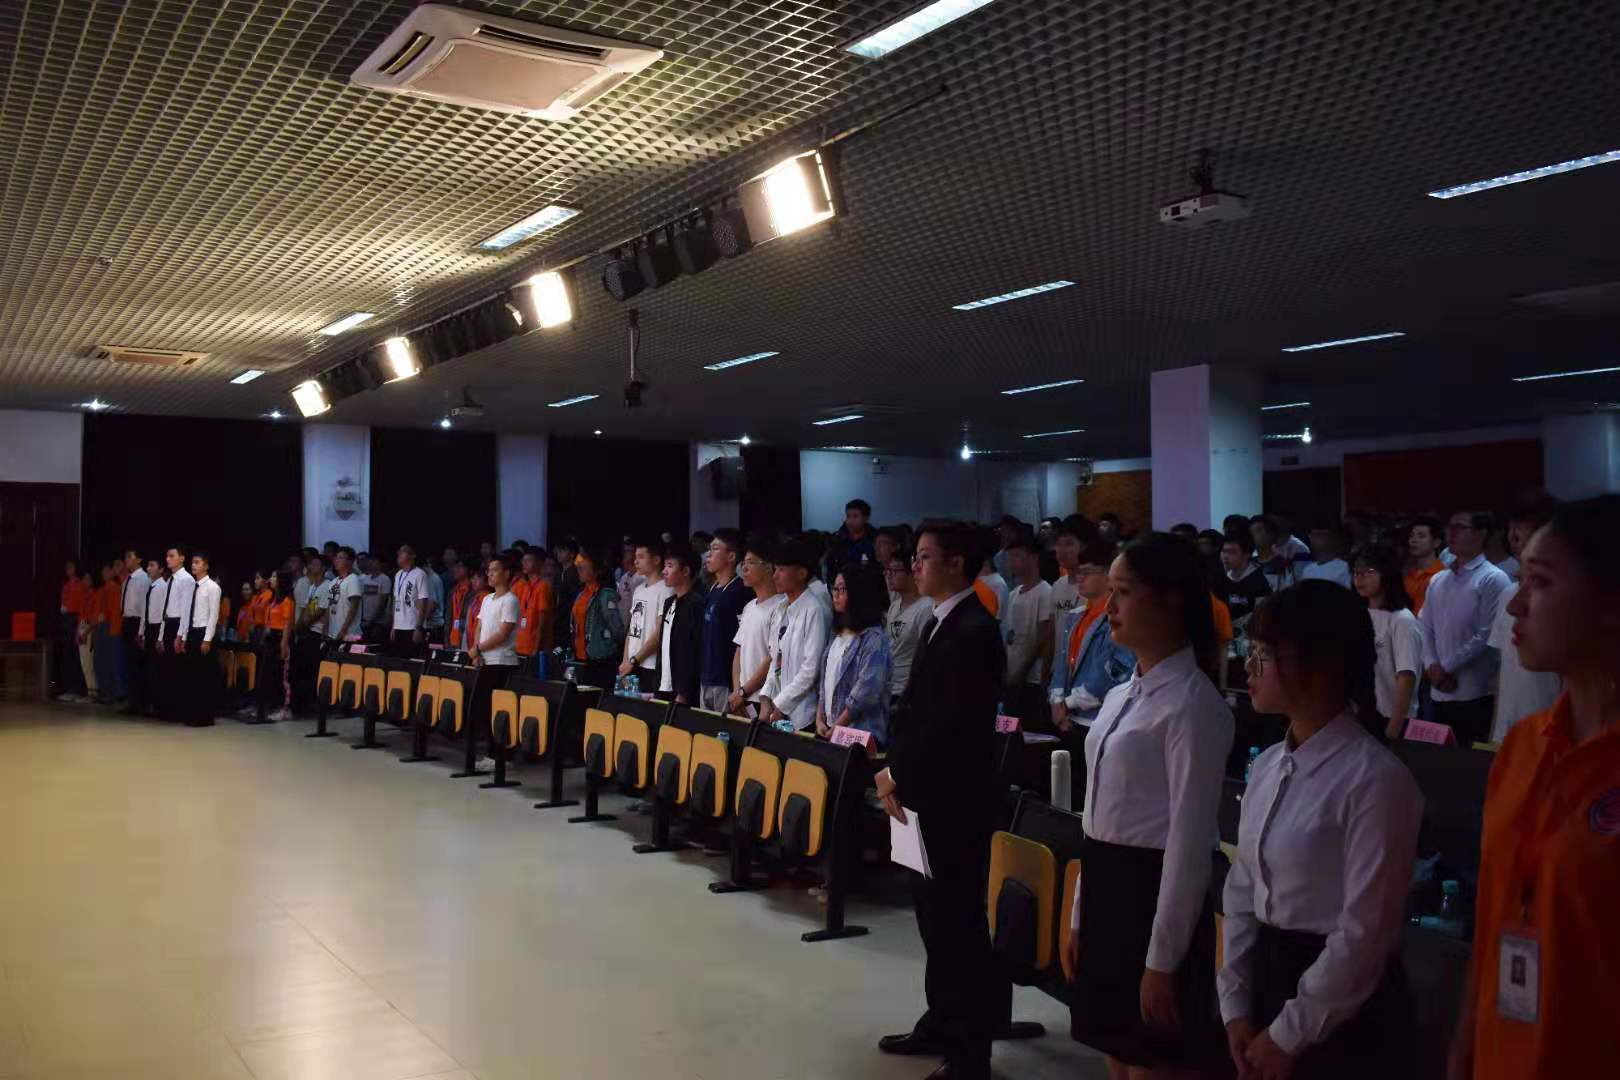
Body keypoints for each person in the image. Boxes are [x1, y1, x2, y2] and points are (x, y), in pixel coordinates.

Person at [1221, 580, 1423, 1080]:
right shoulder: (1267, 765)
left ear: (1318, 664)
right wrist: (1235, 1004)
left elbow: (1365, 932)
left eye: (1264, 655)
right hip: (1269, 980)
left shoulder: (1375, 779)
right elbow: (1243, 888)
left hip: (1344, 1013)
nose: (1249, 668)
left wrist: (1288, 1035)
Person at [1447, 496, 1620, 1080]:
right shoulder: (1524, 745)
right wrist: (1466, 1043)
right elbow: (1493, 914)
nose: (1516, 604)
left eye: (1540, 582)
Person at [1064, 532, 1233, 1078]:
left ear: (1169, 601)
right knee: (1116, 1056)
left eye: (1124, 592)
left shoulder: (1194, 705)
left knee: (1154, 1061)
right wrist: (1079, 914)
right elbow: (1096, 815)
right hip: (1107, 887)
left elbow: (1189, 846)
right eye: (1110, 592)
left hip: (1154, 897)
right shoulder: (1121, 695)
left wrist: (1163, 960)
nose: (1109, 607)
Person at [874, 523, 1004, 1080]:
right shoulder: (939, 620)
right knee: (932, 919)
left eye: (925, 557)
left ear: (955, 563)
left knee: (958, 925)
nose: (915, 566)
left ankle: (971, 1052)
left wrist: (895, 771)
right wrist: (894, 769)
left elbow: (951, 725)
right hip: (921, 794)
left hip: (953, 801)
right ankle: (941, 1020)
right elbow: (914, 711)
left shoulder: (974, 628)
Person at [1418, 511, 1512, 746]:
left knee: (1470, 759)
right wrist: (1431, 665)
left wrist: (1445, 667)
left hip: (1474, 690)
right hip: (1437, 687)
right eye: (1450, 526)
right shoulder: (1438, 579)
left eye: (1460, 527)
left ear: (1481, 534)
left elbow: (1486, 634)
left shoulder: (1493, 578)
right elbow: (1425, 626)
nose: (1451, 532)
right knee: (1437, 760)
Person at [1486, 506, 1562, 743]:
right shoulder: (1507, 595)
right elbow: (1503, 670)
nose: (1513, 538)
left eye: (1520, 530)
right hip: (1506, 731)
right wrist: (1495, 728)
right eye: (1510, 530)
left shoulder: (1564, 601)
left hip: (1547, 732)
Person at [1048, 540, 1135, 734]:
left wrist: (1067, 703)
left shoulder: (1120, 618)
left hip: (1100, 718)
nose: (1079, 577)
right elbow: (1062, 663)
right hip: (1068, 716)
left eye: (1086, 572)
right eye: (1078, 572)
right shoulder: (1075, 616)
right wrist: (1056, 699)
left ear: (1108, 575)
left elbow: (1116, 670)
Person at [815, 562, 893, 746]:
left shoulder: (874, 639)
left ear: (858, 593)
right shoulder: (838, 634)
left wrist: (838, 726)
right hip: (832, 731)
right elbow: (825, 685)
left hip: (860, 736)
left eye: (842, 589)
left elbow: (866, 693)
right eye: (834, 588)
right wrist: (819, 719)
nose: (835, 594)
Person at [1351, 544, 1424, 740]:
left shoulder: (1402, 619)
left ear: (1387, 574)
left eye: (1368, 572)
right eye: (1356, 572)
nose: (1359, 578)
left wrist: (1393, 730)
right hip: (1360, 714)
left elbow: (1406, 677)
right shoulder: (1359, 614)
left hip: (1391, 718)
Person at [759, 541, 832, 731]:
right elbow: (776, 659)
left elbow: (811, 670)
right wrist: (766, 699)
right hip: (778, 709)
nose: (775, 576)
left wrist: (780, 704)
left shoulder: (814, 609)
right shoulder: (781, 608)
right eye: (775, 569)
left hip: (803, 715)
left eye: (781, 569)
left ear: (801, 573)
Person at [1000, 535, 1055, 727]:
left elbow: (1043, 638)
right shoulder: (1013, 594)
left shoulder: (1045, 592)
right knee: (1007, 729)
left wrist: (1021, 672)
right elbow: (1010, 635)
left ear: (1033, 558)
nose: (1012, 562)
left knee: (1030, 731)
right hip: (1011, 678)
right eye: (1010, 557)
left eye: (1017, 556)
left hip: (1031, 680)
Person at [695, 529, 751, 712]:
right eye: (709, 549)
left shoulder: (739, 591)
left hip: (725, 681)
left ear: (731, 556)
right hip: (706, 677)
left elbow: (742, 643)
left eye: (715, 548)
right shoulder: (712, 588)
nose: (708, 554)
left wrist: (737, 687)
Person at [729, 543, 785, 716]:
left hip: (765, 699)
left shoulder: (781, 606)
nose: (744, 568)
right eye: (743, 563)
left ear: (768, 567)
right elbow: (739, 650)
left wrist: (744, 691)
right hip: (742, 698)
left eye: (751, 562)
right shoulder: (749, 606)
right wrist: (737, 690)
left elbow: (772, 657)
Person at [565, 548, 624, 689]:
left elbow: (617, 628)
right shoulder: (581, 594)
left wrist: (613, 650)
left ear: (597, 571)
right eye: (579, 568)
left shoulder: (605, 594)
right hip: (578, 656)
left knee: (594, 695)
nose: (580, 571)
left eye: (584, 568)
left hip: (599, 657)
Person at [175, 550, 222, 727]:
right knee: (192, 675)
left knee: (204, 677)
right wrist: (184, 636)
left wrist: (207, 639)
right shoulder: (193, 587)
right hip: (193, 633)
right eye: (193, 562)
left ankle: (204, 716)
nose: (194, 565)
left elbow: (213, 615)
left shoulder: (212, 587)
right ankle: (192, 713)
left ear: (206, 566)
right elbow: (188, 613)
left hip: (204, 633)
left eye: (197, 562)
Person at [620, 541, 671, 694]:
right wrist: (625, 660)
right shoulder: (638, 590)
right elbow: (632, 629)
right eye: (636, 557)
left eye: (641, 557)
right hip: (632, 664)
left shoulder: (665, 590)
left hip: (650, 665)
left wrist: (634, 660)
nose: (636, 561)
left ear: (656, 560)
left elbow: (659, 633)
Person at [654, 547, 704, 704]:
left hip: (683, 690)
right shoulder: (669, 602)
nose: (664, 571)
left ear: (686, 571)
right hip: (664, 684)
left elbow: (691, 649)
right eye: (664, 566)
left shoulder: (695, 603)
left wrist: (684, 691)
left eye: (670, 566)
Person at [884, 550, 934, 705]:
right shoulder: (894, 606)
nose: (889, 576)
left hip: (906, 693)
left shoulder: (926, 608)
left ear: (912, 573)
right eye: (887, 571)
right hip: (888, 688)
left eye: (894, 571)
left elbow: (925, 658)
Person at [158, 547, 196, 723]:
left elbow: (186, 610)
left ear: (181, 558)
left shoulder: (186, 579)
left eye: (171, 556)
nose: (168, 559)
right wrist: (160, 636)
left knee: (177, 671)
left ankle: (178, 711)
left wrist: (181, 635)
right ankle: (167, 709)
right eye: (167, 556)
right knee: (166, 670)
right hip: (168, 624)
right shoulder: (170, 580)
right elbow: (165, 609)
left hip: (178, 625)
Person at [255, 571, 296, 723]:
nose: (271, 579)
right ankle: (267, 707)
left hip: (280, 639)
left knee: (282, 675)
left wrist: (284, 644)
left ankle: (285, 709)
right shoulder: (274, 599)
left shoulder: (288, 600)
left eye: (274, 577)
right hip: (270, 639)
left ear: (281, 580)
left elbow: (287, 624)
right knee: (268, 675)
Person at [1216, 537, 1272, 631]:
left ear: (1247, 554)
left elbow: (1261, 614)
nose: (1225, 556)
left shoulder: (1260, 579)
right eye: (1224, 551)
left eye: (1232, 552)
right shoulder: (1221, 577)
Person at [391, 545, 431, 657]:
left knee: (412, 659)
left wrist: (418, 628)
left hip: (412, 626)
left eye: (403, 551)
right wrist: (393, 626)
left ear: (413, 556)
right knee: (399, 660)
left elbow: (423, 602)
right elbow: (395, 601)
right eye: (399, 552)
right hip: (399, 626)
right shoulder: (398, 575)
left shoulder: (420, 574)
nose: (399, 554)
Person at [1404, 516, 1446, 613]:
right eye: (1411, 536)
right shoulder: (1407, 574)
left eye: (1421, 536)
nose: (1413, 540)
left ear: (1436, 543)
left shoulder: (1442, 577)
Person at [324, 547, 363, 644]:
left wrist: (344, 629)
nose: (337, 560)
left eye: (341, 558)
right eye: (336, 557)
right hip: (333, 632)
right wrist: (326, 625)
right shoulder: (333, 581)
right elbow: (329, 605)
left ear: (350, 562)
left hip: (349, 633)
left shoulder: (353, 579)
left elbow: (354, 607)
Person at [1252, 515, 1296, 593]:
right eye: (1251, 532)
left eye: (1258, 531)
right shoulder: (1248, 563)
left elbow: (1288, 593)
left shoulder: (1283, 565)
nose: (1253, 535)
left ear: (1270, 534)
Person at [360, 553, 391, 643]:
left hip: (378, 622)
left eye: (374, 561)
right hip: (364, 620)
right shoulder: (365, 578)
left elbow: (383, 603)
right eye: (370, 561)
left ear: (380, 563)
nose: (371, 563)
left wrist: (371, 621)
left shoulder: (385, 579)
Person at [840, 498, 877, 564]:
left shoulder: (875, 540)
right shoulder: (839, 538)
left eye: (855, 516)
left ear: (866, 518)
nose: (851, 520)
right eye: (848, 516)